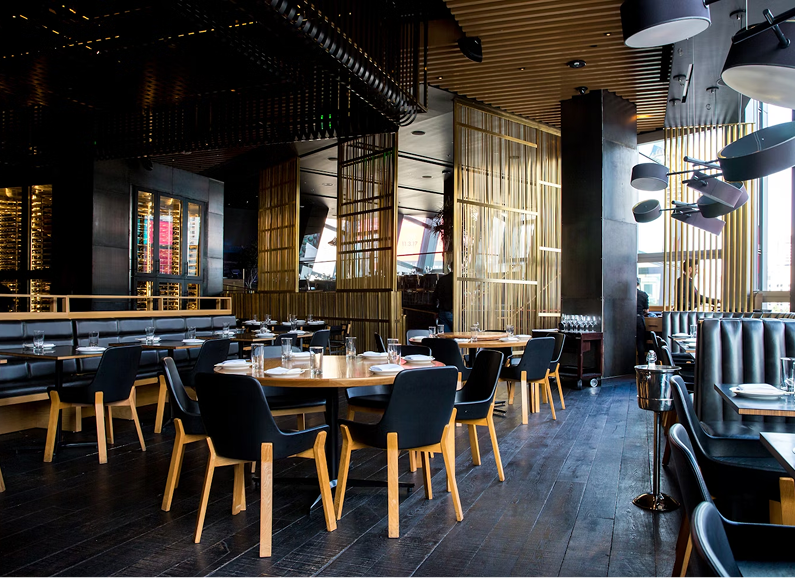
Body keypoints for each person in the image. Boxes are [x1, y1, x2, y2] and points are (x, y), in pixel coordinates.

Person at [636, 277, 649, 361]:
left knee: (626, 342)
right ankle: (641, 363)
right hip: (639, 319)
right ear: (638, 284)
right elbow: (647, 311)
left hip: (627, 321)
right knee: (640, 342)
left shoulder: (625, 295)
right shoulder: (643, 294)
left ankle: (626, 366)